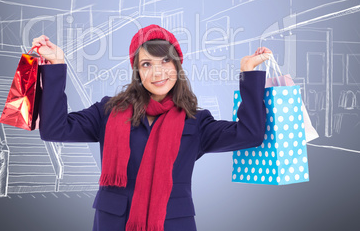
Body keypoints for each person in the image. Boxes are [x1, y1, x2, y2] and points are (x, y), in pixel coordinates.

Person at [32, 24, 272, 231]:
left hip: (172, 223)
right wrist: (55, 64)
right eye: (147, 64)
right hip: (115, 223)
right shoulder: (108, 111)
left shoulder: (196, 122)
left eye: (165, 60)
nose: (158, 72)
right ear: (137, 72)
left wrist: (248, 73)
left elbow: (250, 134)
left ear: (177, 65)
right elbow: (54, 129)